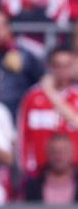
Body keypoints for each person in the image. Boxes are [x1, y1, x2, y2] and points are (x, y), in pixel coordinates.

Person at [17, 48, 78, 176]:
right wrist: (26, 170)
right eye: (58, 65)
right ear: (50, 67)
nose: (62, 70)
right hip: (39, 173)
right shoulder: (32, 97)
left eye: (67, 65)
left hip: (74, 175)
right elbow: (23, 136)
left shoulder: (76, 96)